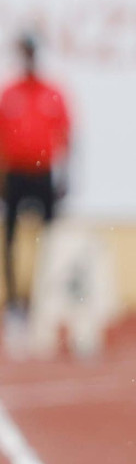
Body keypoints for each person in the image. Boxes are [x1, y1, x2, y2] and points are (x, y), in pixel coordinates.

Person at [0, 32, 71, 317]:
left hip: (43, 174)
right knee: (11, 239)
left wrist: (65, 176)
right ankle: (14, 300)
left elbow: (66, 135)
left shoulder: (51, 93)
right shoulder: (9, 93)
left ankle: (45, 298)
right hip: (15, 173)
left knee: (50, 240)